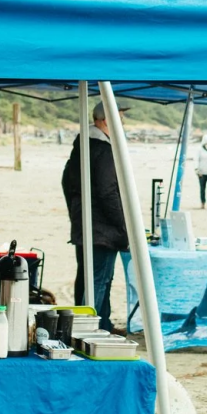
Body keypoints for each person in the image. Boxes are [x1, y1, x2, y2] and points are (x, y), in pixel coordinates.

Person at [61, 103, 129, 329]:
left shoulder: (82, 146)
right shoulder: (102, 149)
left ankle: (103, 325)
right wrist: (123, 224)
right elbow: (108, 191)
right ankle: (85, 329)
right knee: (99, 279)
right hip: (102, 229)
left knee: (88, 276)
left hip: (85, 225)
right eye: (120, 118)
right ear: (106, 121)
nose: (124, 124)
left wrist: (76, 212)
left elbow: (66, 181)